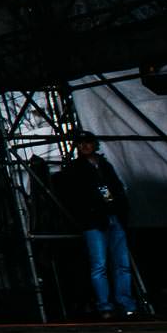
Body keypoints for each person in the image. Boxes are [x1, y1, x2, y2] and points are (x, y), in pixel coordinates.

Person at [57, 131, 138, 319]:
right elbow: (73, 197)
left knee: (121, 264)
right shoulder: (75, 168)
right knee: (99, 265)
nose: (84, 146)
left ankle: (124, 303)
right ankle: (105, 306)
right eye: (80, 143)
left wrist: (119, 210)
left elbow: (116, 189)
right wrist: (90, 213)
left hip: (112, 217)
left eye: (87, 143)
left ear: (94, 145)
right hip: (94, 221)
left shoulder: (104, 165)